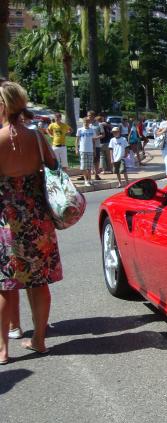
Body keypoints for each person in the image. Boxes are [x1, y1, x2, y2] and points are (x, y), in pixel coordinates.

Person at [0, 80, 62, 362]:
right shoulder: (37, 137)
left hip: (6, 219)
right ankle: (38, 340)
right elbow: (53, 166)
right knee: (39, 282)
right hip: (37, 218)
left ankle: (2, 350)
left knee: (5, 284)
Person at [75, 116, 96, 186]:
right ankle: (86, 180)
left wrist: (94, 149)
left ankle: (90, 179)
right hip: (82, 150)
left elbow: (93, 141)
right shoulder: (80, 130)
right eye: (85, 122)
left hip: (90, 150)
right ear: (83, 122)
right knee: (83, 166)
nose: (86, 123)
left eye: (87, 122)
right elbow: (77, 140)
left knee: (89, 167)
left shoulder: (92, 130)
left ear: (89, 122)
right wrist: (76, 149)